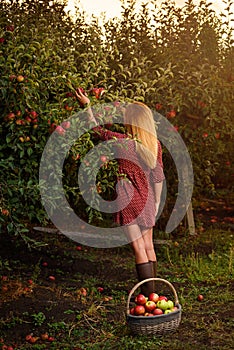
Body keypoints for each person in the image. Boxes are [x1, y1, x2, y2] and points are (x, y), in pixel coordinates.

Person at [75, 89, 165, 297]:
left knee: (138, 248)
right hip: (148, 197)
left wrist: (87, 106)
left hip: (128, 198)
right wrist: (157, 202)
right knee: (148, 246)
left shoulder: (122, 143)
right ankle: (155, 296)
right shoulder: (155, 146)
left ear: (131, 122)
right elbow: (159, 177)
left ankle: (148, 297)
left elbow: (96, 130)